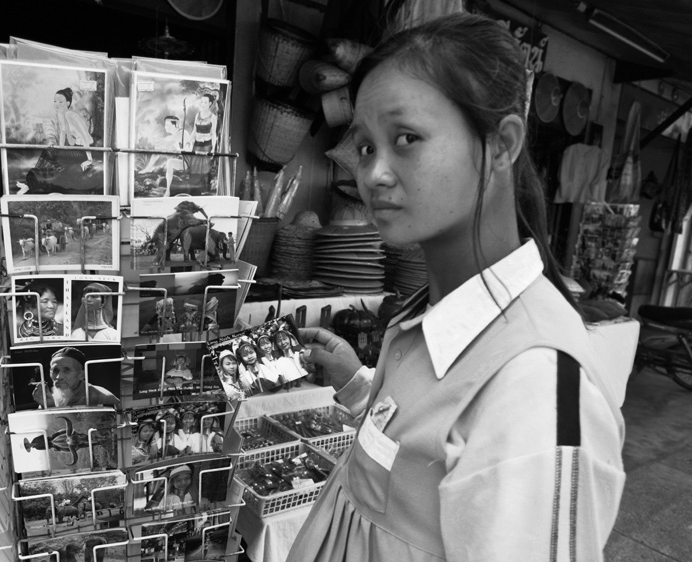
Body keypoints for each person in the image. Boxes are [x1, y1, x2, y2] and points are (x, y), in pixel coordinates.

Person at [287, 13, 628, 561]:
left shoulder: (536, 387)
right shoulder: (431, 318)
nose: (373, 174)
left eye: (407, 138)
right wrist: (358, 385)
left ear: (501, 145)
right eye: (367, 147)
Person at [23, 87, 98, 195]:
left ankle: (31, 183)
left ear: (67, 103)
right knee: (50, 151)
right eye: (55, 101)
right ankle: (33, 182)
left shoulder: (71, 115)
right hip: (73, 148)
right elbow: (62, 137)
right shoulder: (60, 116)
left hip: (82, 151)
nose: (56, 104)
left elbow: (85, 136)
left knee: (50, 152)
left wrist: (89, 160)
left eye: (60, 102)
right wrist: (59, 152)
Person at [32, 346, 121, 408]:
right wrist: (48, 406)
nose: (59, 377)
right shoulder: (50, 397)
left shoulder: (103, 397)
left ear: (81, 375)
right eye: (55, 371)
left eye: (67, 370)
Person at [138, 114, 186, 196]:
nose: (165, 127)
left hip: (186, 160)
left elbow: (182, 148)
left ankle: (167, 190)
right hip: (176, 158)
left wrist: (164, 143)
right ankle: (149, 168)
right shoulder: (171, 136)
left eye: (167, 124)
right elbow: (165, 142)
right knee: (160, 145)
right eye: (165, 124)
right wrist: (160, 141)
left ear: (176, 125)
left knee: (162, 146)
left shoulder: (182, 133)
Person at [187, 91, 218, 189]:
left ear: (210, 104)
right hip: (197, 144)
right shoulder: (197, 115)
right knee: (195, 166)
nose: (203, 104)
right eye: (201, 102)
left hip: (207, 145)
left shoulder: (213, 117)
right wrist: (189, 141)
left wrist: (213, 148)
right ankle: (194, 189)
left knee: (205, 167)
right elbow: (194, 130)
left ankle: (205, 189)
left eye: (205, 102)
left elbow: (214, 134)